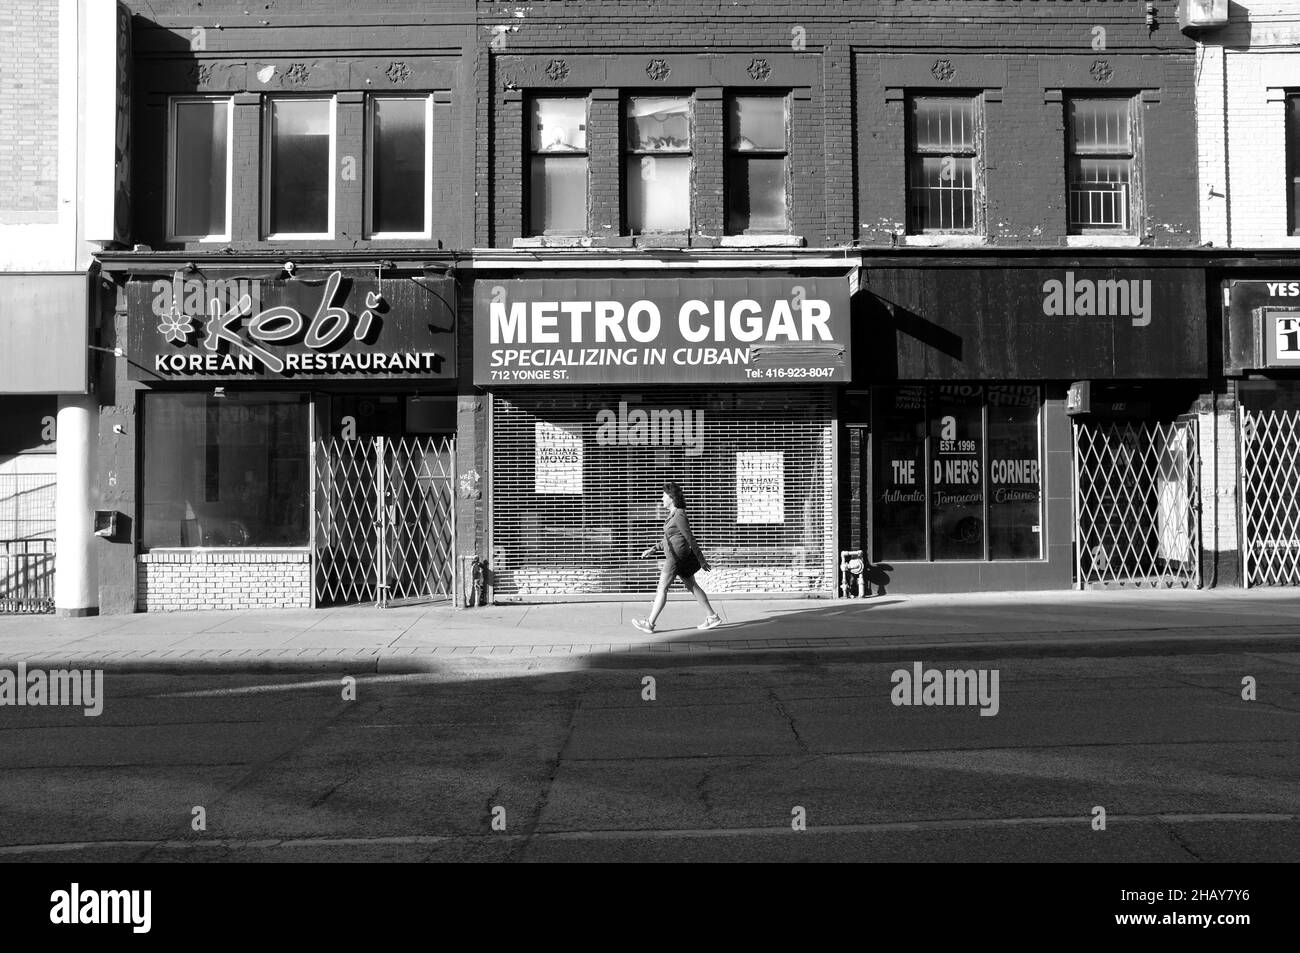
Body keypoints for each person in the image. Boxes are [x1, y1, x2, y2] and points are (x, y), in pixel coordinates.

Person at [631, 481, 722, 633]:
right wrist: (653, 549)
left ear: (671, 498)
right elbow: (670, 538)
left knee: (662, 589)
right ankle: (712, 616)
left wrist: (702, 560)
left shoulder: (679, 514)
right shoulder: (673, 514)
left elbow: (690, 538)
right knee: (692, 586)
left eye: (663, 495)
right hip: (680, 556)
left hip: (675, 559)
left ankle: (649, 624)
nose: (661, 499)